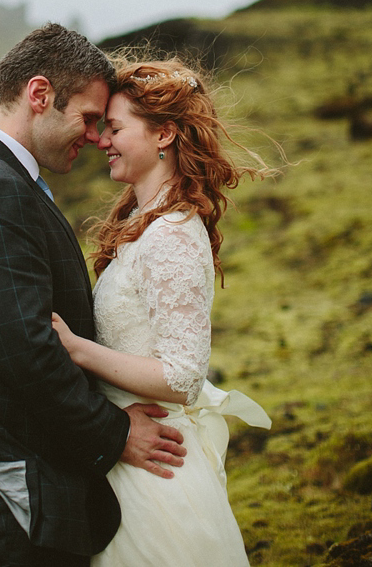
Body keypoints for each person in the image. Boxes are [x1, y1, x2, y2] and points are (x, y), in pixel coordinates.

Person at [0, 25, 186, 567]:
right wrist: (114, 435)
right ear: (39, 95)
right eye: (89, 119)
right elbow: (26, 348)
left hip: (16, 474)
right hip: (11, 489)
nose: (95, 137)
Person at [52, 56, 274, 566]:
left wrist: (76, 350)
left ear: (163, 135)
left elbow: (183, 377)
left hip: (156, 469)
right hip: (127, 454)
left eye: (114, 128)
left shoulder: (171, 235)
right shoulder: (141, 222)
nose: (101, 141)